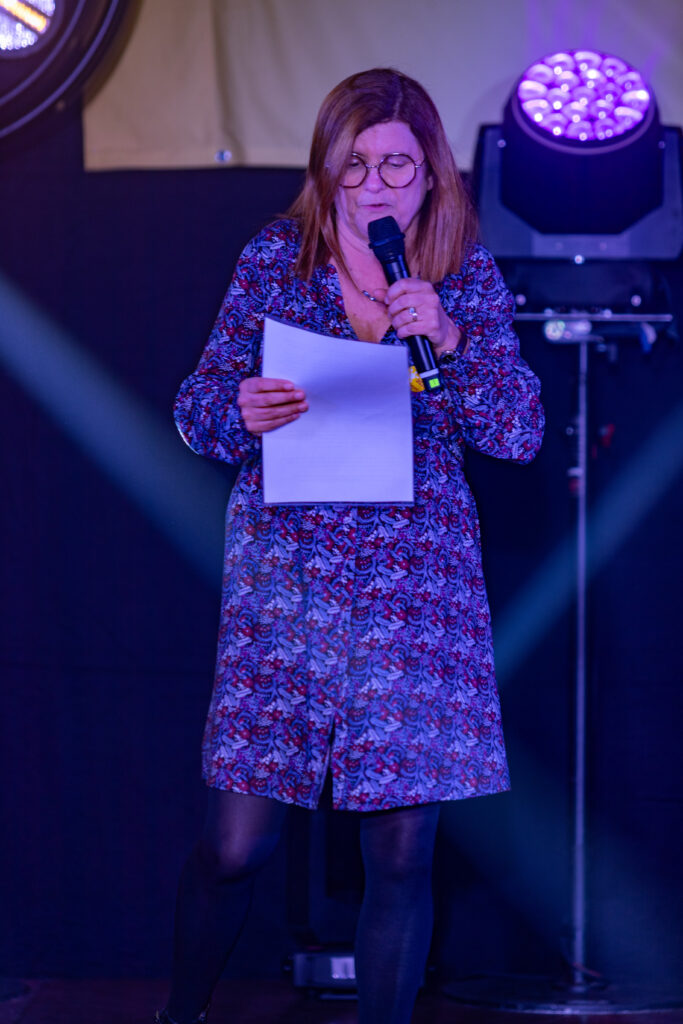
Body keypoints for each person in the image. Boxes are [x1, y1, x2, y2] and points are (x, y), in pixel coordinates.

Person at [158, 68, 544, 1024]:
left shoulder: (462, 274)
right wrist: (241, 409)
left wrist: (452, 340)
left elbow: (518, 433)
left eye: (397, 166)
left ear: (431, 173)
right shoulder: (275, 259)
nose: (375, 185)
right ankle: (178, 1015)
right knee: (235, 846)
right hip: (288, 583)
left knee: (402, 854)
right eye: (354, 164)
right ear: (324, 169)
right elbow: (196, 409)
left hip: (416, 590)